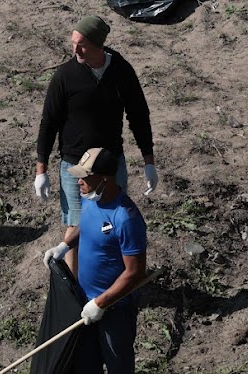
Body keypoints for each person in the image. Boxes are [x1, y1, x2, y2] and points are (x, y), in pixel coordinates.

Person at [41, 147, 147, 374]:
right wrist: (63, 245)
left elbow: (135, 272)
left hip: (115, 309)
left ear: (103, 178)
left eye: (84, 177)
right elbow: (83, 228)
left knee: (118, 367)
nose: (78, 183)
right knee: (85, 365)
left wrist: (102, 303)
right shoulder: (92, 202)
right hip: (84, 303)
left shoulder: (126, 218)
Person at [35, 17, 157, 268]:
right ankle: (75, 288)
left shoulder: (121, 71)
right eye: (73, 43)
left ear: (98, 45)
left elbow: (139, 116)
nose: (75, 50)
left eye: (82, 45)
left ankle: (110, 280)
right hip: (74, 163)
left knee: (110, 222)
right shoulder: (66, 76)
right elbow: (49, 122)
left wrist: (149, 162)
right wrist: (41, 170)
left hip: (109, 165)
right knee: (75, 226)